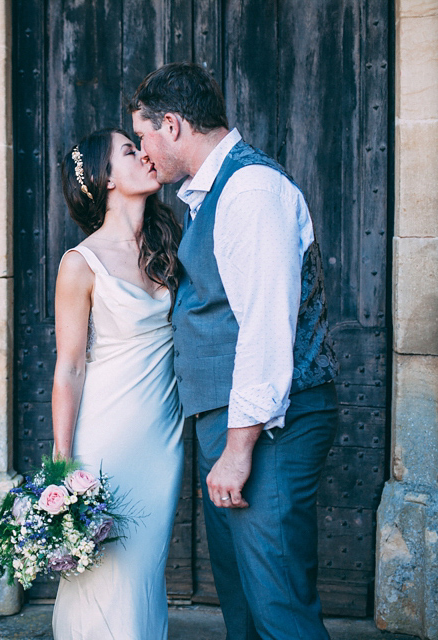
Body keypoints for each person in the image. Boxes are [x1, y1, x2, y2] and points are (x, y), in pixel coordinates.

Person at [129, 62, 339, 640]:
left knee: (278, 606)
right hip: (237, 422)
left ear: (171, 125)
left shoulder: (249, 189)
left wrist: (238, 447)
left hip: (271, 426)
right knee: (246, 607)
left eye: (144, 137)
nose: (143, 153)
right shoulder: (210, 194)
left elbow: (267, 326)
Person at [51, 127, 184, 640]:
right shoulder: (79, 264)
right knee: (104, 573)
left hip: (162, 440)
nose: (145, 154)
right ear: (107, 180)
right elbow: (70, 365)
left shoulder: (168, 244)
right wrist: (62, 461)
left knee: (144, 572)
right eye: (130, 151)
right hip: (108, 436)